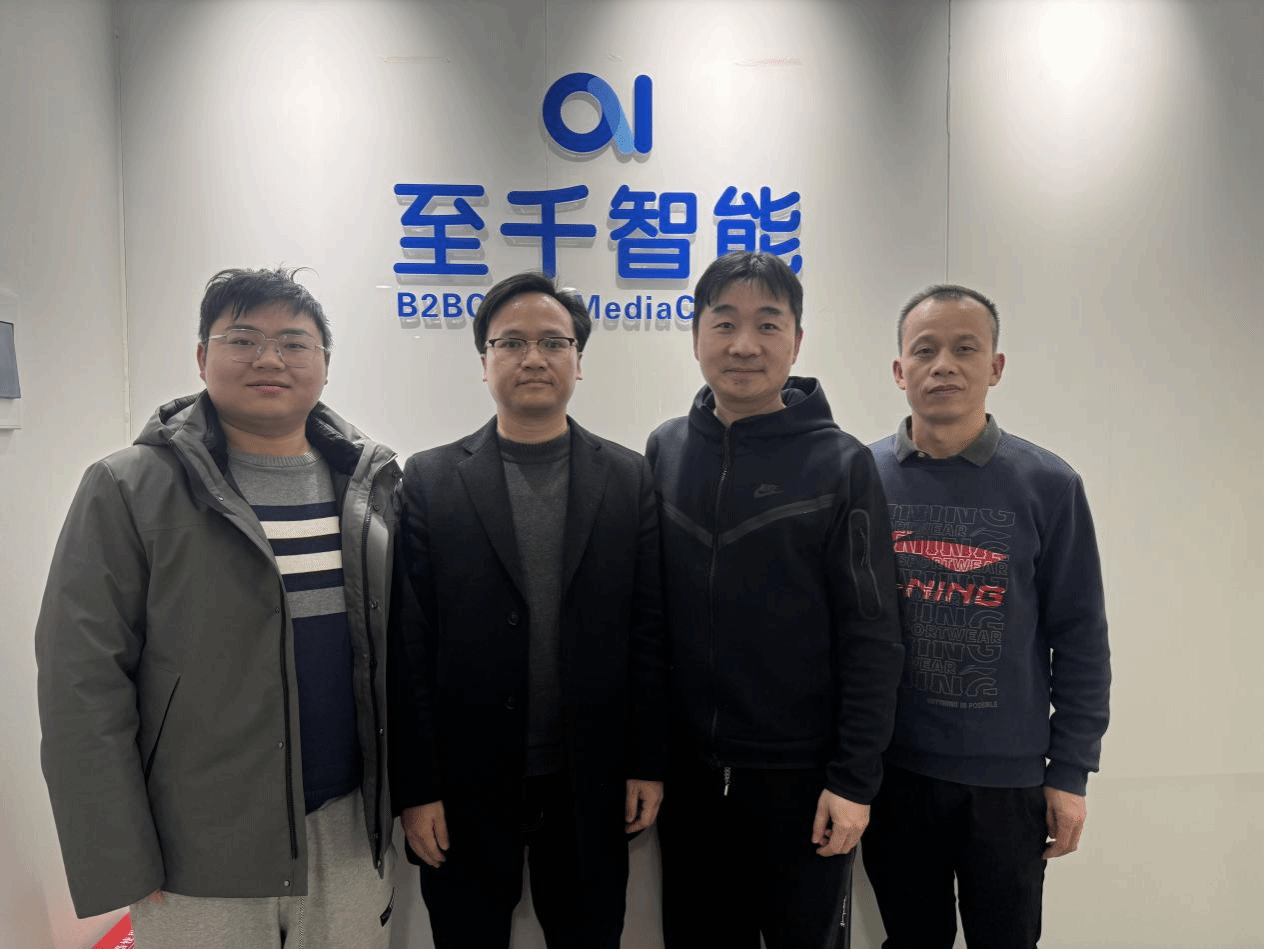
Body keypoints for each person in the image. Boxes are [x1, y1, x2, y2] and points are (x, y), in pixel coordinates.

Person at [35, 267, 400, 948]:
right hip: (195, 847)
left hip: (347, 829)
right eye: (243, 339)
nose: (269, 359)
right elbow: (80, 684)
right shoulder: (127, 487)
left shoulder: (369, 485)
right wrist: (120, 853)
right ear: (203, 357)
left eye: (294, 343)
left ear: (325, 364)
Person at [388, 270, 666, 949]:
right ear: (484, 361)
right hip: (465, 783)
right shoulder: (429, 479)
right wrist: (417, 790)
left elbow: (649, 631)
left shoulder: (628, 476)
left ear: (578, 359)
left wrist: (647, 762)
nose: (533, 357)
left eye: (552, 342)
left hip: (590, 779)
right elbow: (409, 647)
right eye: (511, 342)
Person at [646, 251, 905, 948]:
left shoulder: (841, 462)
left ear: (796, 339)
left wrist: (853, 781)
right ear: (695, 335)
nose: (744, 345)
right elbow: (649, 622)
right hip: (691, 781)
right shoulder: (666, 449)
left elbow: (874, 635)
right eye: (724, 322)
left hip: (803, 782)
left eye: (767, 324)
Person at [862, 284, 1111, 948]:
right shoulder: (861, 477)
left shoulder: (1048, 485)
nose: (943, 365)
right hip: (895, 774)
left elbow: (1081, 637)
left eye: (965, 349)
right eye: (925, 350)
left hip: (1008, 783)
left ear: (995, 366)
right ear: (899, 371)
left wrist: (1070, 772)